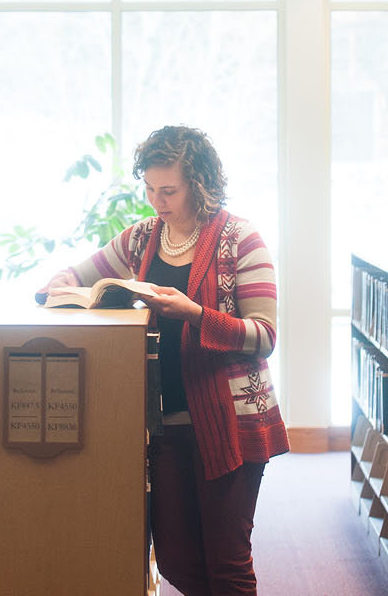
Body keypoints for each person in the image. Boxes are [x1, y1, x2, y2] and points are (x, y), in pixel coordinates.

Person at [39, 125, 289, 595]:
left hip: (232, 424)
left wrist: (194, 314)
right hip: (167, 422)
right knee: (174, 559)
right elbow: (79, 273)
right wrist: (60, 282)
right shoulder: (142, 238)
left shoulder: (242, 239)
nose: (157, 201)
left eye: (168, 190)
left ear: (199, 184)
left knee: (228, 561)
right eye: (150, 189)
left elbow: (265, 336)